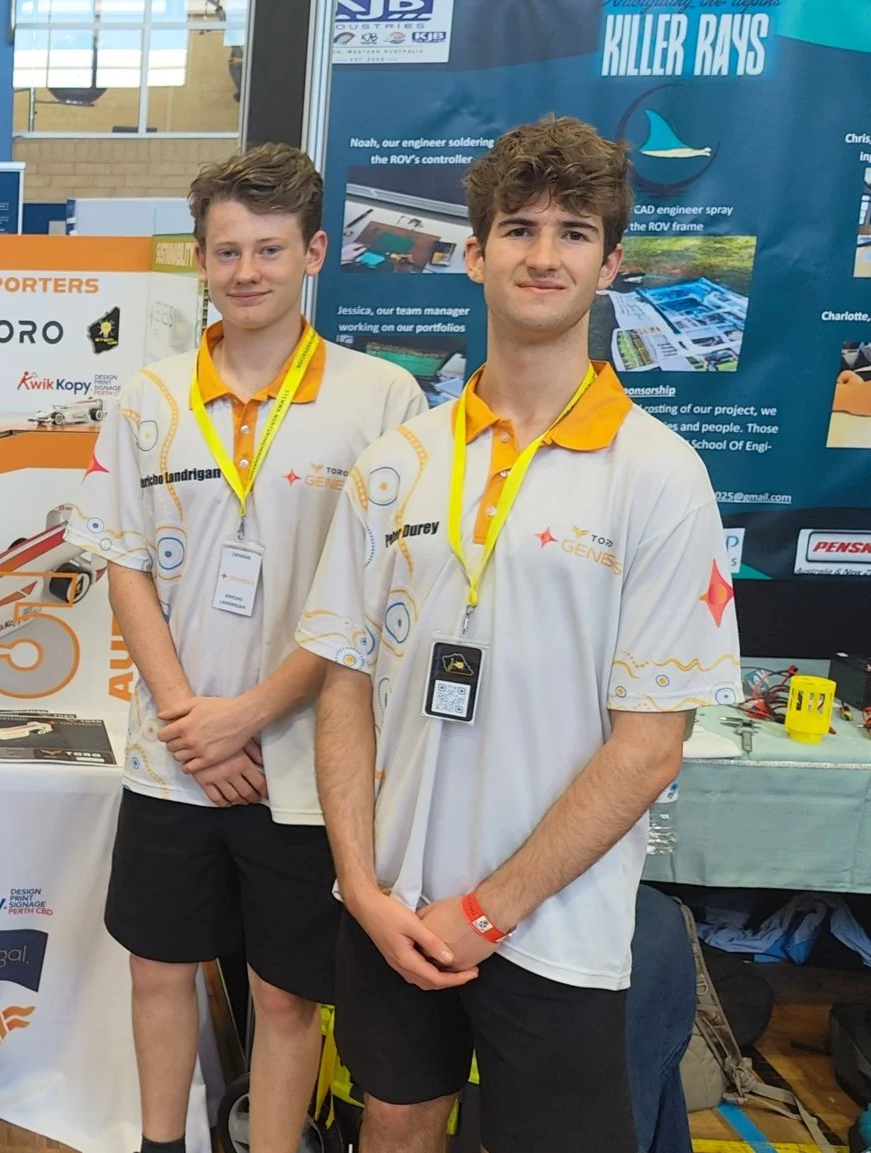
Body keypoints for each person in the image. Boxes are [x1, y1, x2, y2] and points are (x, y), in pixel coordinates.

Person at [298, 116, 741, 1153]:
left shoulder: (659, 475)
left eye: (573, 232)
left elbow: (648, 744)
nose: (542, 254)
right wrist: (361, 886)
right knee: (393, 1124)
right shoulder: (393, 463)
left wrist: (486, 912)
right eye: (518, 227)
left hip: (555, 926)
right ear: (473, 251)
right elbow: (343, 691)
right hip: (392, 909)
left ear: (609, 263)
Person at [65, 143, 425, 1153]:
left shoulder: (380, 401)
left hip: (306, 765)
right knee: (156, 969)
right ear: (200, 260)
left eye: (268, 248)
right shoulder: (148, 397)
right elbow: (123, 563)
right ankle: (158, 1144)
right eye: (226, 251)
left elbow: (369, 601)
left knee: (282, 995)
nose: (246, 271)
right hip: (172, 755)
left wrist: (249, 716)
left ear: (313, 250)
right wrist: (192, 722)